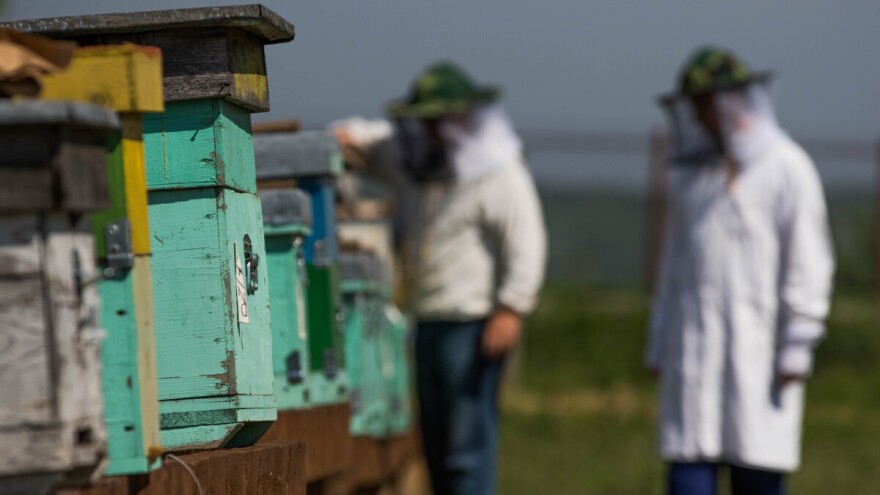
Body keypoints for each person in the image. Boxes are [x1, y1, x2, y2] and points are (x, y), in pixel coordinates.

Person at [333, 62, 547, 495]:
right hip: (425, 321)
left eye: (438, 121)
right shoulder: (416, 163)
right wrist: (343, 138)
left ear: (465, 121)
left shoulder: (499, 173)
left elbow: (527, 242)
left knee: (466, 447)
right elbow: (369, 143)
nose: (430, 131)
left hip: (472, 324)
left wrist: (511, 307)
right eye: (424, 121)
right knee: (434, 444)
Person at [647, 47, 835, 495]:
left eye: (704, 103)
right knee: (689, 472)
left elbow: (808, 260)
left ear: (731, 101)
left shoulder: (787, 167)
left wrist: (799, 341)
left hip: (758, 355)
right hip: (693, 355)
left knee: (758, 471)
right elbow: (672, 266)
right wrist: (660, 337)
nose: (699, 115)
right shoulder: (693, 177)